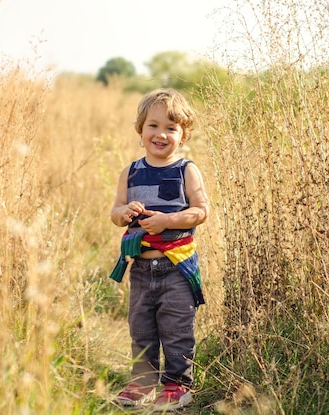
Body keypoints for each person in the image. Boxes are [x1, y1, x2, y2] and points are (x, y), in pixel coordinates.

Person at [108, 88, 209, 411]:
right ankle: (143, 381)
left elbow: (201, 211)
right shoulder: (131, 171)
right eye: (153, 125)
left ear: (183, 135)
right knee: (141, 328)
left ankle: (177, 384)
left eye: (171, 127)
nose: (161, 133)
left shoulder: (185, 171)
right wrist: (123, 213)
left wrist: (169, 220)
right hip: (140, 269)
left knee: (177, 329)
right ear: (141, 130)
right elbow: (115, 212)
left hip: (176, 267)